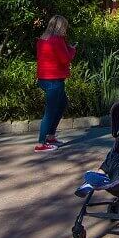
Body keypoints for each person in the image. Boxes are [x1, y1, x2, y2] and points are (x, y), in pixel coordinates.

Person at [34, 15, 75, 153]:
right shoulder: (57, 40)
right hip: (55, 79)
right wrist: (72, 49)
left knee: (62, 103)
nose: (66, 29)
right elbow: (65, 59)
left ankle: (51, 136)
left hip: (44, 78)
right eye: (65, 26)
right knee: (50, 111)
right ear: (60, 26)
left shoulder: (42, 39)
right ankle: (41, 143)